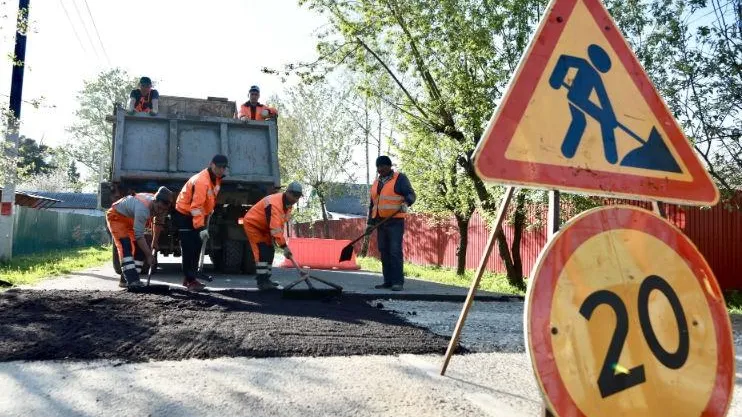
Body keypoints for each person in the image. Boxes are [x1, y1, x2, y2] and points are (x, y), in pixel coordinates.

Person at [173, 154, 228, 290]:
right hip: (185, 214)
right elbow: (195, 207)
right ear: (212, 165)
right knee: (189, 247)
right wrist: (201, 227)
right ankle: (190, 279)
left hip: (197, 214)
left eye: (224, 167)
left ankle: (190, 278)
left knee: (196, 245)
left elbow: (208, 200)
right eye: (219, 167)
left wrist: (209, 211)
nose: (222, 170)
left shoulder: (216, 179)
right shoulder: (202, 181)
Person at [106, 186, 173, 289]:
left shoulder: (161, 208)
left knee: (140, 249)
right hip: (117, 217)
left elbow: (158, 223)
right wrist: (149, 255)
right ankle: (132, 281)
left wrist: (154, 242)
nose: (160, 211)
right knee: (125, 246)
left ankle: (127, 280)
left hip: (131, 218)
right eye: (159, 208)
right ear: (154, 201)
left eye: (163, 210)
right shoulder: (143, 208)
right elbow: (139, 236)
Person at [367, 156, 416, 291]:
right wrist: (370, 224)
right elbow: (373, 204)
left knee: (394, 251)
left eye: (382, 166)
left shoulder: (400, 178)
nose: (380, 169)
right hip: (380, 222)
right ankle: (387, 281)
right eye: (378, 167)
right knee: (384, 251)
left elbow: (411, 194)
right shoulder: (377, 182)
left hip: (395, 221)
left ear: (389, 166)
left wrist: (406, 203)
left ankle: (397, 282)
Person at [241, 182, 303, 290]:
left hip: (265, 227)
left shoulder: (288, 206)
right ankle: (262, 281)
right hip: (253, 224)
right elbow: (275, 227)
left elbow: (279, 225)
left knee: (270, 250)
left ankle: (267, 279)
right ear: (287, 192)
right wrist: (284, 246)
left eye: (297, 197)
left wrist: (280, 242)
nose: (295, 199)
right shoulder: (275, 203)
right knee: (262, 251)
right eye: (294, 196)